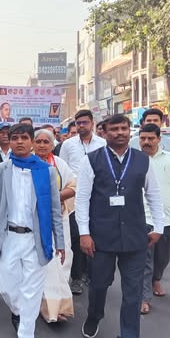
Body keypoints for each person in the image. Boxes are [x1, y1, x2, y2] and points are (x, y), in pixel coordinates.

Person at [75, 114, 164, 338]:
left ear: (129, 131)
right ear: (104, 133)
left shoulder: (143, 160)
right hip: (101, 237)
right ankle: (95, 315)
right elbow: (82, 199)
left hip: (135, 237)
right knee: (99, 284)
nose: (120, 133)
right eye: (114, 129)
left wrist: (158, 226)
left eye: (124, 128)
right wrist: (84, 233)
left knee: (133, 292)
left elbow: (154, 195)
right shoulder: (92, 160)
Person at [0, 123, 65, 338]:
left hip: (36, 239)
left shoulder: (46, 171)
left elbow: (54, 209)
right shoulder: (0, 170)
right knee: (6, 287)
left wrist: (60, 241)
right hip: (8, 237)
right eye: (15, 138)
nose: (19, 142)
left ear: (31, 141)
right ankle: (20, 312)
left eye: (24, 137)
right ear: (9, 141)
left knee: (32, 290)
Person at [138, 124, 170, 314]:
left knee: (164, 255)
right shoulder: (134, 160)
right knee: (144, 260)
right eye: (143, 138)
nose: (146, 142)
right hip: (141, 218)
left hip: (167, 218)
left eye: (151, 138)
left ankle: (156, 278)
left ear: (159, 139)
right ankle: (144, 298)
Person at [58, 109, 106, 295]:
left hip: (99, 195)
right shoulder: (68, 145)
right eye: (78, 123)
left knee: (97, 234)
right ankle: (77, 277)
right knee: (77, 236)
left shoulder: (103, 144)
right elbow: (62, 170)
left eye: (85, 122)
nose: (81, 126)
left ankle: (92, 274)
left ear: (92, 123)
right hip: (75, 196)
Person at [32, 129, 76, 323]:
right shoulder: (27, 163)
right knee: (45, 262)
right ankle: (50, 308)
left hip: (59, 217)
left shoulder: (59, 164)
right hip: (35, 219)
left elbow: (73, 187)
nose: (42, 145)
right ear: (33, 144)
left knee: (63, 257)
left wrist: (53, 197)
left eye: (46, 142)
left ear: (52, 145)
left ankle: (61, 303)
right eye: (38, 141)